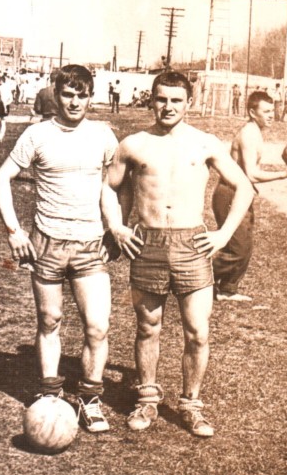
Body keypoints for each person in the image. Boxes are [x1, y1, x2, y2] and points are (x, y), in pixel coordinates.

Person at [107, 71, 254, 438]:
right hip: (149, 243)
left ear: (189, 102)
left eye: (176, 100)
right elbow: (109, 187)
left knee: (198, 331)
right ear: (151, 100)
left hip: (192, 245)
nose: (168, 107)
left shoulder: (205, 143)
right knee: (148, 326)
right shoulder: (133, 144)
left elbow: (244, 187)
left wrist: (223, 234)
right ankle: (147, 399)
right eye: (161, 99)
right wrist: (117, 227)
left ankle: (191, 405)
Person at [0, 64, 120, 434]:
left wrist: (114, 227)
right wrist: (14, 232)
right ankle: (50, 394)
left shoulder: (102, 135)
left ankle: (90, 399)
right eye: (68, 94)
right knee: (49, 321)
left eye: (82, 95)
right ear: (56, 94)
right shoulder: (37, 134)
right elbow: (1, 178)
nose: (75, 102)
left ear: (91, 97)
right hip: (46, 244)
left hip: (89, 245)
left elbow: (115, 185)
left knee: (97, 326)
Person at [212, 91, 287, 302]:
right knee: (236, 249)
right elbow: (251, 174)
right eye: (266, 111)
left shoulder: (255, 131)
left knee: (243, 247)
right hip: (229, 194)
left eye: (272, 110)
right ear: (252, 112)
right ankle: (196, 279)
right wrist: (284, 174)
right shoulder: (248, 134)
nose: (271, 115)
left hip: (241, 194)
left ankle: (227, 289)